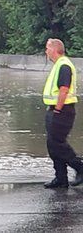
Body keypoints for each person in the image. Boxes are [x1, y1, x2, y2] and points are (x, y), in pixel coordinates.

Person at [42, 38, 83, 188]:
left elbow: (64, 89)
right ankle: (61, 178)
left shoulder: (64, 65)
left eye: (47, 48)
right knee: (52, 145)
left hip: (62, 110)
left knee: (57, 144)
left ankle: (79, 167)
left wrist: (58, 109)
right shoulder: (58, 65)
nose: (46, 51)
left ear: (54, 49)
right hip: (55, 109)